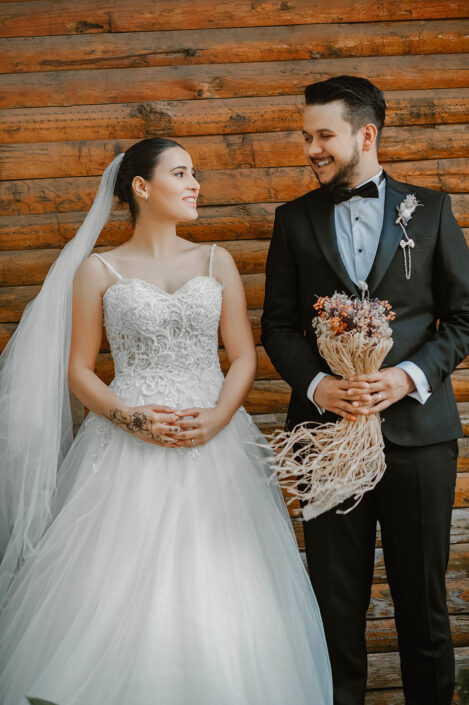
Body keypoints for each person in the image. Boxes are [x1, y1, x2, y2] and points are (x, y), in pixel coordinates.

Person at [0, 138, 332, 704]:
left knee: (220, 582)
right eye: (181, 173)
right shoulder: (98, 270)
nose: (195, 183)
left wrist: (219, 417)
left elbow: (243, 356)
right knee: (117, 585)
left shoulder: (215, 261)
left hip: (215, 440)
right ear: (141, 187)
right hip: (124, 443)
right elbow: (79, 369)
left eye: (195, 173)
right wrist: (130, 418)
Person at [261, 76, 469, 705]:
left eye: (324, 135)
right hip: (327, 444)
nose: (312, 149)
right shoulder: (293, 219)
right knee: (334, 605)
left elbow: (462, 318)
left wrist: (406, 377)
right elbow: (276, 324)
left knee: (424, 608)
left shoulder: (429, 210)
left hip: (419, 441)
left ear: (366, 134)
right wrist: (321, 386)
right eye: (307, 137)